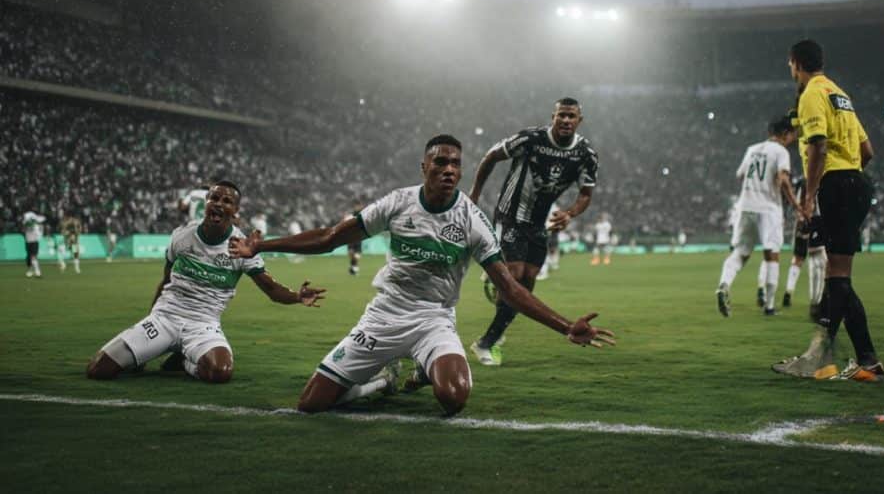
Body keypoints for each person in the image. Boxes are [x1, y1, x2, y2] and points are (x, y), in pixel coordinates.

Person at [228, 135, 613, 416]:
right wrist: (261, 246)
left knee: (454, 398)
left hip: (434, 319)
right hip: (384, 315)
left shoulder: (472, 221)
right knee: (311, 404)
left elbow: (509, 288)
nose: (448, 169)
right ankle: (382, 380)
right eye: (440, 162)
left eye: (455, 164)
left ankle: (425, 365)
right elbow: (331, 237)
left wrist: (564, 326)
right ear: (424, 167)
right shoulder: (398, 203)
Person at [86, 182, 325, 383]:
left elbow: (271, 289)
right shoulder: (181, 236)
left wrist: (296, 296)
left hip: (203, 324)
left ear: (236, 211)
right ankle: (156, 351)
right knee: (99, 370)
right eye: (214, 198)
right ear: (206, 203)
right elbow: (166, 280)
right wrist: (152, 319)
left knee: (220, 373)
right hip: (165, 317)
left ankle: (184, 361)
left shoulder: (242, 247)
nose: (219, 203)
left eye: (227, 201)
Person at [773, 39, 882, 382]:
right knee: (839, 276)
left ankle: (820, 359)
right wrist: (850, 173)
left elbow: (818, 145)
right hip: (856, 183)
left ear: (795, 64)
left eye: (790, 65)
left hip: (835, 185)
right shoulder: (840, 93)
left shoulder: (811, 94)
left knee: (838, 278)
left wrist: (811, 194)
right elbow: (867, 150)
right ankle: (862, 361)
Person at [467, 98, 599, 367]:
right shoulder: (529, 139)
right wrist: (475, 195)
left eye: (571, 116)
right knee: (514, 278)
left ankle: (492, 321)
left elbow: (586, 194)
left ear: (579, 121)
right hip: (510, 215)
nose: (565, 120)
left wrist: (570, 213)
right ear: (553, 116)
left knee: (527, 282)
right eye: (561, 115)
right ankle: (486, 342)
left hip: (539, 224)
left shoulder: (586, 154)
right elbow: (491, 157)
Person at [716, 116, 799, 317]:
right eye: (792, 134)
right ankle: (769, 307)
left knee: (740, 253)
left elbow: (740, 174)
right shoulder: (781, 152)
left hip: (746, 206)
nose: (794, 138)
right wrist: (797, 206)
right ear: (785, 134)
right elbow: (783, 179)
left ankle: (724, 285)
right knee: (772, 254)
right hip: (769, 208)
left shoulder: (752, 149)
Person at [782, 177, 828, 322]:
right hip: (815, 219)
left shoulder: (803, 181)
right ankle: (816, 303)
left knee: (798, 259)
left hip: (802, 219)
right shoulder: (820, 179)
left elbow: (796, 200)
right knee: (819, 258)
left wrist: (800, 217)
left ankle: (789, 291)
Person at [22, 210, 45, 278]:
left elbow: (42, 220)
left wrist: (35, 222)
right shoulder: (26, 223)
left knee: (34, 256)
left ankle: (37, 272)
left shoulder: (36, 224)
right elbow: (24, 229)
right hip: (28, 241)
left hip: (34, 241)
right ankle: (30, 270)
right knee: (29, 257)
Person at [348, 202, 365, 276]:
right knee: (351, 254)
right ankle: (353, 268)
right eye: (357, 206)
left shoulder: (363, 217)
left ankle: (353, 268)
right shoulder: (350, 217)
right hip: (351, 238)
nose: (358, 207)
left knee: (356, 256)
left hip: (358, 239)